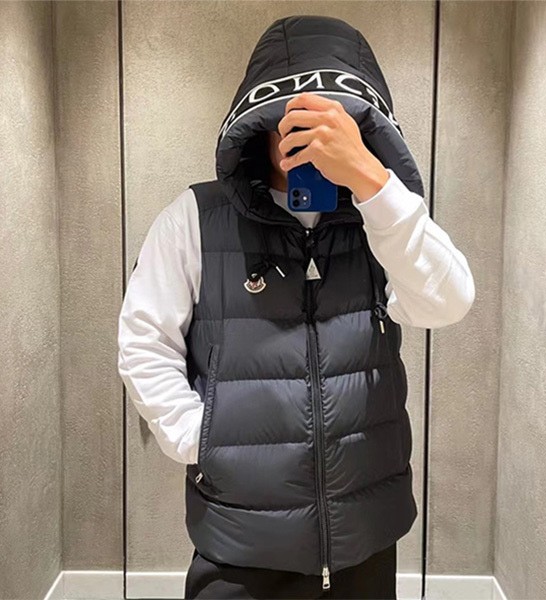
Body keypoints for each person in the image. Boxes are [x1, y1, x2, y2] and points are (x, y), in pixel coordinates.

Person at [117, 14, 475, 600]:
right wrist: (201, 438)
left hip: (365, 535)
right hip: (240, 541)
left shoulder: (382, 218)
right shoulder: (194, 218)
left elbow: (448, 301)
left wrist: (371, 180)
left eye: (332, 120)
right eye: (295, 119)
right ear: (261, 123)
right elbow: (143, 341)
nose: (311, 138)